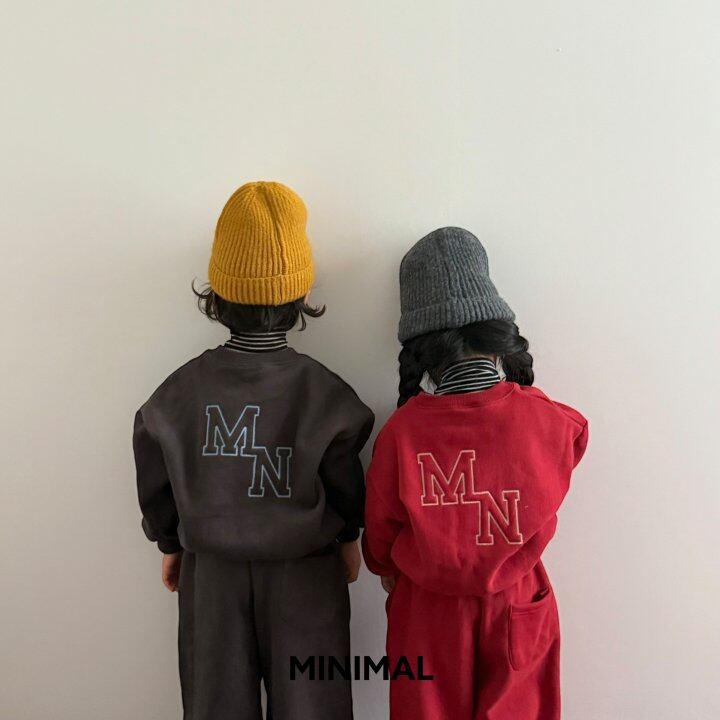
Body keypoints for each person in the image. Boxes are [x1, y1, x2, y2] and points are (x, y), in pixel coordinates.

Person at [133, 181, 374, 720]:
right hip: (305, 573)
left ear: (217, 294)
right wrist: (349, 536)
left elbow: (152, 461)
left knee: (215, 705)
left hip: (212, 577)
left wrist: (169, 540)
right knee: (314, 705)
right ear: (300, 295)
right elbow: (344, 476)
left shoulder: (180, 391)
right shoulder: (326, 393)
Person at [362, 226, 588, 720]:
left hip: (425, 612)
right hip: (518, 601)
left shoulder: (401, 433)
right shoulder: (546, 419)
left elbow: (379, 536)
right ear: (498, 330)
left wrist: (387, 568)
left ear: (419, 347)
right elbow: (575, 436)